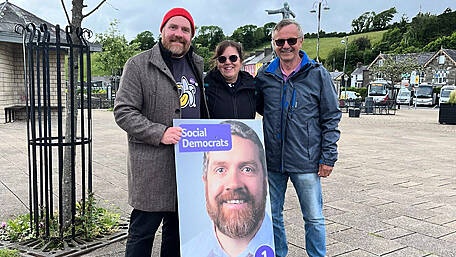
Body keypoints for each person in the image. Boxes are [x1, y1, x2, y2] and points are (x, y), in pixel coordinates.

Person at [113, 7, 209, 257]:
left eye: (185, 30)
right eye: (173, 27)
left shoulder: (197, 65)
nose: (179, 34)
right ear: (162, 30)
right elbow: (123, 111)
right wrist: (160, 132)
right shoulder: (138, 65)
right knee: (142, 233)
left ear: (192, 35)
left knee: (177, 234)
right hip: (152, 168)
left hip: (187, 167)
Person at [255, 19, 341, 257]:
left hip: (307, 160)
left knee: (313, 217)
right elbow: (262, 108)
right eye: (280, 41)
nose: (286, 46)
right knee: (272, 216)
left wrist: (328, 156)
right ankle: (278, 253)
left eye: (291, 40)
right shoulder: (265, 75)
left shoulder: (318, 74)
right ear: (274, 44)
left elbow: (331, 117)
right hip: (272, 161)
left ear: (301, 41)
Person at [182, 120, 274, 257]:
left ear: (265, 180)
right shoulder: (190, 251)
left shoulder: (279, 246)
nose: (234, 184)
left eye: (247, 169)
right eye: (220, 170)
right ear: (205, 182)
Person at [204, 41, 256, 119]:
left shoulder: (252, 85)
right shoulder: (205, 86)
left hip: (244, 131)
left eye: (233, 58)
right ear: (217, 63)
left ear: (241, 61)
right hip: (216, 131)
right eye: (222, 59)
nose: (227, 62)